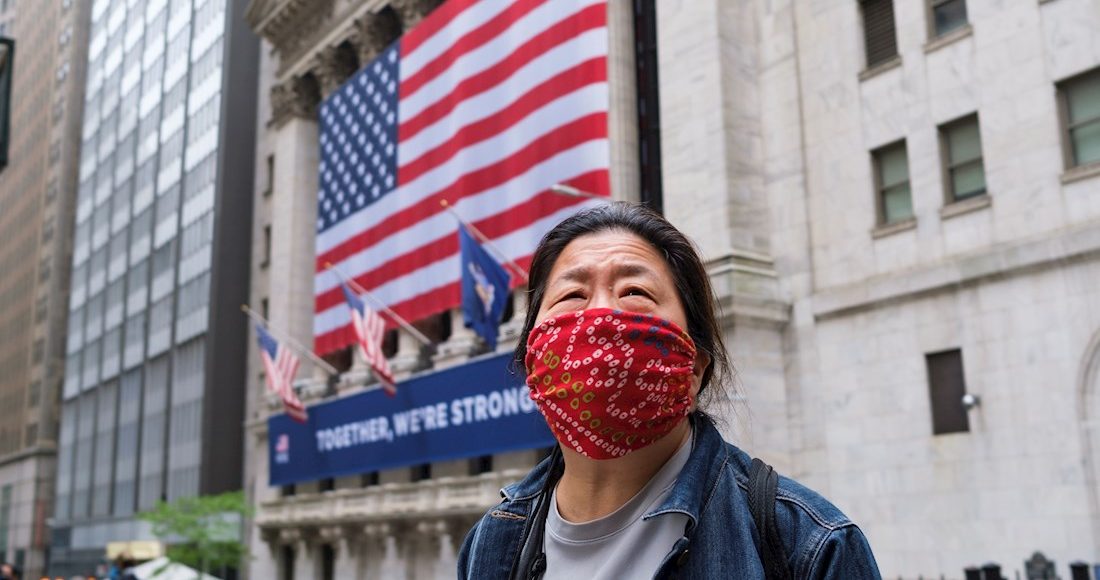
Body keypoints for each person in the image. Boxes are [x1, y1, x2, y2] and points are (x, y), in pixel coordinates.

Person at [457, 202, 881, 579]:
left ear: (694, 367)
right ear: (533, 359)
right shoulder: (489, 544)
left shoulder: (810, 546)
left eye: (635, 292)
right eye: (572, 294)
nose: (603, 313)